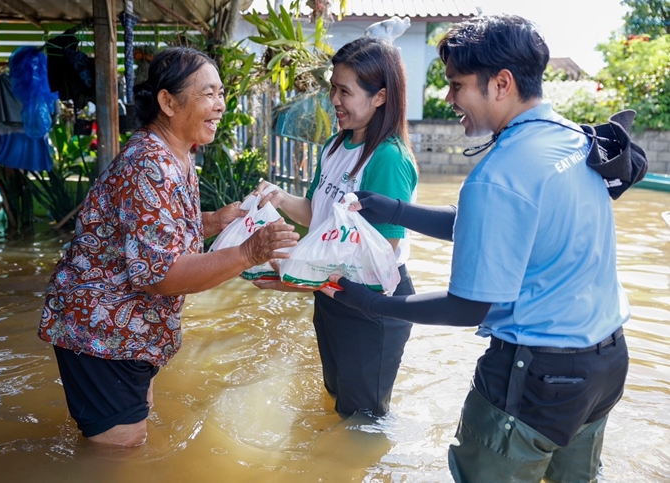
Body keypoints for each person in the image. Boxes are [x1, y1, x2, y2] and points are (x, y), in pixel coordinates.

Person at [321, 15, 630, 483]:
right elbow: (494, 227)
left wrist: (373, 303)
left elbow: (468, 306)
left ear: (501, 83)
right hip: (604, 366)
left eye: (457, 85)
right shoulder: (572, 138)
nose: (449, 100)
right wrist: (398, 210)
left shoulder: (499, 174)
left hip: (536, 376)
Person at [38, 47, 299, 447]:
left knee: (132, 438)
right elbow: (161, 274)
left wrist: (215, 220)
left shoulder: (176, 154)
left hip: (129, 332)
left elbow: (157, 231)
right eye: (209, 94)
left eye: (222, 93)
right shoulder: (149, 164)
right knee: (118, 454)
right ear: (168, 101)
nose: (220, 105)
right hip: (101, 329)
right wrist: (249, 252)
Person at [253, 36, 419, 418]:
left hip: (373, 303)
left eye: (345, 91)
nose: (334, 100)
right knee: (336, 397)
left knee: (362, 420)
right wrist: (280, 199)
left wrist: (294, 274)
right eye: (333, 88)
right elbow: (317, 214)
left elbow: (380, 253)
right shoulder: (334, 147)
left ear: (379, 97)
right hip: (332, 296)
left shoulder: (387, 159)